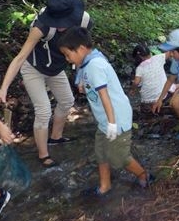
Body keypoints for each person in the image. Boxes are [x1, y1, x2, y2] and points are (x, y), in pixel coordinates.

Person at [0, 0, 91, 168]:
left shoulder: (84, 22)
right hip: (33, 68)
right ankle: (43, 155)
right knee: (43, 111)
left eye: (62, 23)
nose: (59, 27)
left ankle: (55, 138)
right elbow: (20, 58)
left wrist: (81, 76)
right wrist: (3, 88)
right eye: (55, 22)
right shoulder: (41, 27)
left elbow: (83, 51)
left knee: (67, 101)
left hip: (56, 68)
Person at [58, 27, 152, 194]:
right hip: (105, 120)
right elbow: (90, 81)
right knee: (101, 153)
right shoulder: (87, 62)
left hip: (116, 118)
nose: (67, 59)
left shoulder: (95, 65)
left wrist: (112, 123)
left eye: (67, 54)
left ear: (80, 49)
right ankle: (105, 185)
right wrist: (84, 85)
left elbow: (104, 95)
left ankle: (144, 175)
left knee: (120, 157)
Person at [131, 44, 171, 109]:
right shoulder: (158, 58)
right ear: (149, 52)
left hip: (146, 100)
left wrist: (133, 89)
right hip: (162, 96)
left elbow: (136, 83)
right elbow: (170, 53)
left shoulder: (139, 68)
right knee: (178, 86)